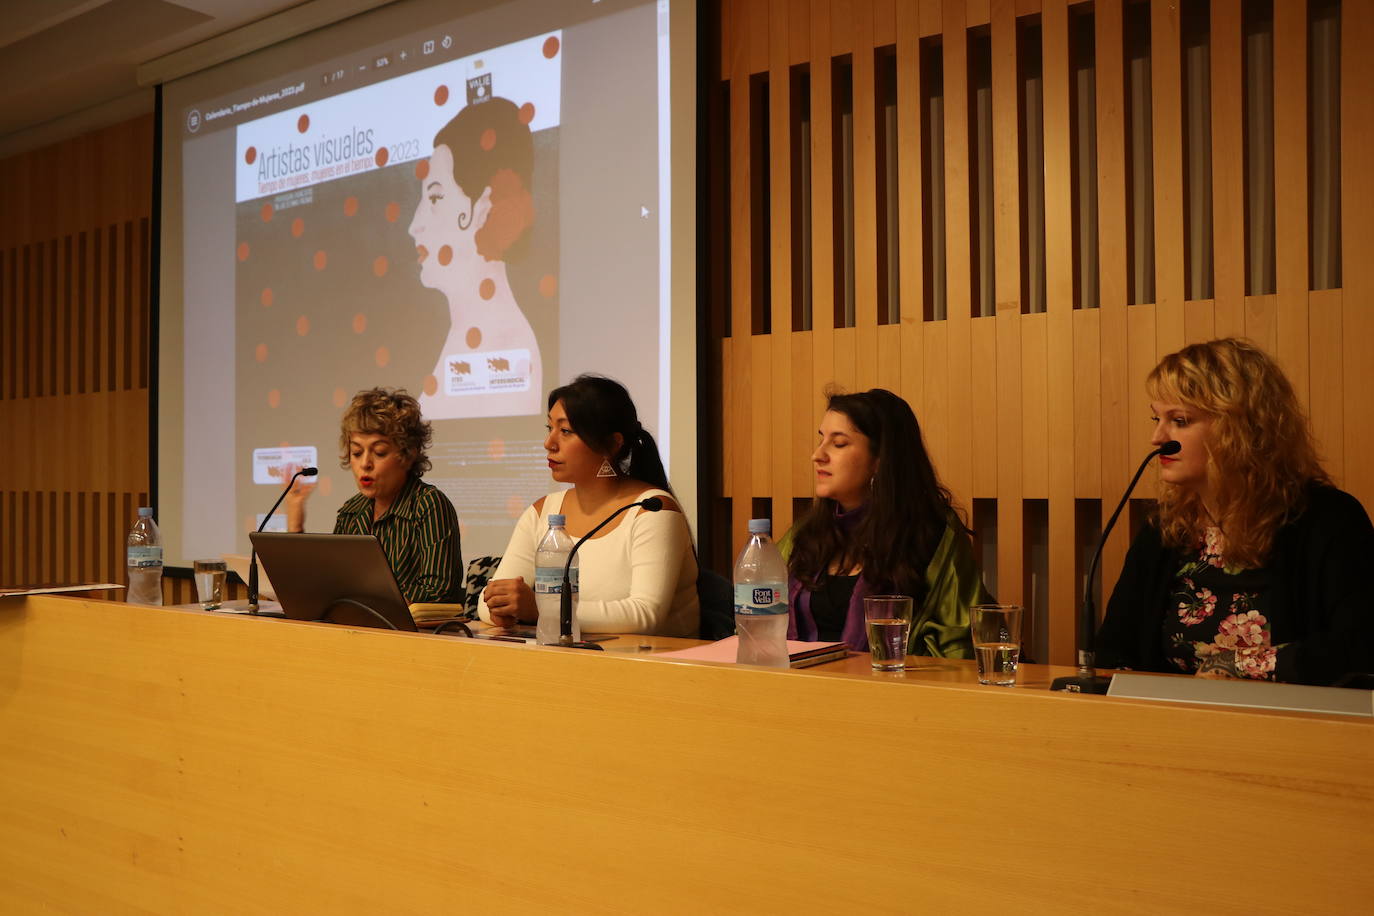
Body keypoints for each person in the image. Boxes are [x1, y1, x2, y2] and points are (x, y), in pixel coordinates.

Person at [1096, 338, 1374, 685]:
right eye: (1157, 418)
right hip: (1168, 725)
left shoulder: (1328, 519)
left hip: (1291, 727)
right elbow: (1113, 649)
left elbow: (1359, 647)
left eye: (1180, 420)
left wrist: (1240, 664)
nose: (1157, 437)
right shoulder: (1166, 526)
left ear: (1239, 427)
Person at [478, 375, 699, 637]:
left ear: (612, 444)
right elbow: (486, 601)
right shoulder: (542, 511)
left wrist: (543, 610)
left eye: (566, 431)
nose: (549, 443)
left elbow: (645, 615)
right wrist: (500, 608)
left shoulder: (652, 509)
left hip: (655, 667)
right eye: (549, 428)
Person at [786, 388, 990, 656]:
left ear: (880, 460)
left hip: (895, 688)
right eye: (821, 439)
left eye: (839, 444)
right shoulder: (806, 533)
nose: (817, 455)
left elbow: (959, 647)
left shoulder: (930, 536)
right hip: (797, 686)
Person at [408, 97, 542, 419]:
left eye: (436, 197)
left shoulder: (508, 346)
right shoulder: (464, 334)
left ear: (482, 208)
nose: (415, 225)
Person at [286, 387, 464, 605]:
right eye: (357, 452)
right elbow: (331, 584)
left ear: (408, 454)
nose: (365, 464)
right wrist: (296, 524)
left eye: (379, 452)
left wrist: (369, 601)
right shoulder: (351, 512)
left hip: (415, 636)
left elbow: (439, 593)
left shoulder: (429, 505)